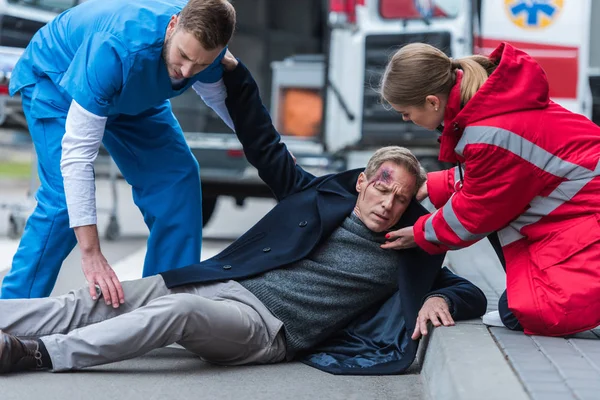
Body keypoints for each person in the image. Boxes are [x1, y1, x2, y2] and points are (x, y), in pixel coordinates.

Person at [0, 53, 487, 375]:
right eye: (384, 188)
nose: (389, 204)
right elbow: (263, 144)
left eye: (402, 199)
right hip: (223, 284)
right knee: (99, 297)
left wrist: (436, 301)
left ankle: (39, 355)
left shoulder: (409, 245)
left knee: (176, 311)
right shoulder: (317, 196)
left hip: (267, 330)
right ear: (363, 181)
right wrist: (231, 72)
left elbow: (469, 291)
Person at [2, 0, 237, 304]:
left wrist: (272, 150)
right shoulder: (115, 49)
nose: (187, 72)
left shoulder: (203, 41)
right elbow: (77, 156)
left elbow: (226, 99)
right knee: (62, 202)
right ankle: (11, 314)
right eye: (182, 57)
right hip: (57, 80)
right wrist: (91, 254)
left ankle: (170, 305)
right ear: (172, 26)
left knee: (177, 178)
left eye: (201, 65)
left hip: (126, 89)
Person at [379, 42, 600, 336]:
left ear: (432, 102)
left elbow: (477, 212)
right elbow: (502, 176)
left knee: (524, 314)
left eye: (405, 112)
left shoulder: (487, 134)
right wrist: (432, 186)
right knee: (521, 304)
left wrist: (421, 233)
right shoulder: (490, 108)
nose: (406, 119)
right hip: (579, 203)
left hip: (586, 211)